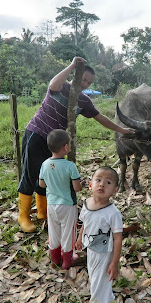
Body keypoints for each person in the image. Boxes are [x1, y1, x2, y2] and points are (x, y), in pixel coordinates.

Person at [17, 56, 132, 233]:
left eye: (89, 82)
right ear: (76, 76)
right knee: (31, 173)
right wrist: (71, 65)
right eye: (83, 79)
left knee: (48, 175)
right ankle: (23, 216)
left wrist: (121, 130)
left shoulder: (84, 101)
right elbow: (52, 85)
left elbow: (100, 117)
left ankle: (42, 212)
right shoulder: (61, 86)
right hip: (37, 133)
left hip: (56, 143)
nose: (85, 84)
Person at [76, 166, 123, 303]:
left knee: (96, 285)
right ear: (90, 185)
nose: (102, 184)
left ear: (115, 190)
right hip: (91, 250)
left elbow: (118, 238)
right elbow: (85, 222)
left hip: (104, 254)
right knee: (99, 280)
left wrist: (114, 263)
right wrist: (79, 237)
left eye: (108, 182)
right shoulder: (87, 203)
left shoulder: (113, 213)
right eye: (98, 180)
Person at [39, 129, 81, 269]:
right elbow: (77, 188)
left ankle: (56, 259)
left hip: (51, 204)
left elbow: (41, 184)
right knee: (69, 232)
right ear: (66, 147)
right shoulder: (70, 166)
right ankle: (68, 261)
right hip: (68, 205)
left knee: (54, 231)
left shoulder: (45, 164)